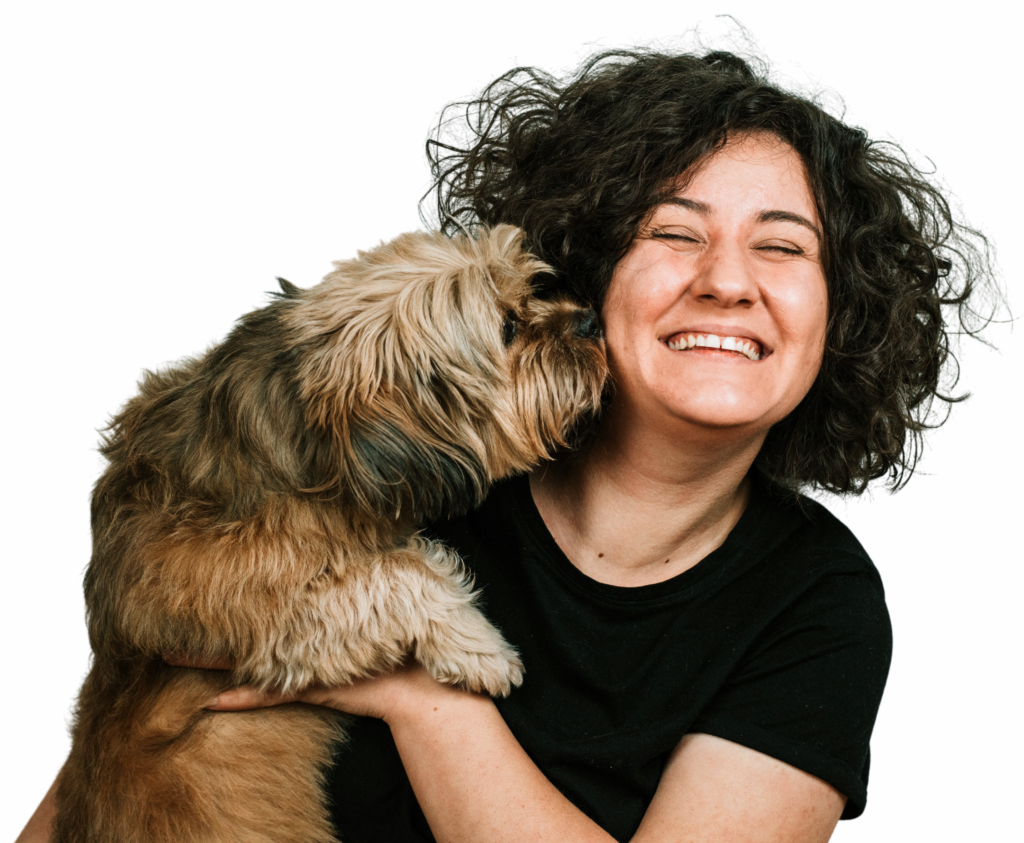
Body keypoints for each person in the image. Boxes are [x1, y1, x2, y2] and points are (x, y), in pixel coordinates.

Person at [19, 17, 1010, 843]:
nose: (726, 280)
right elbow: (117, 754)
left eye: (783, 248)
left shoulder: (819, 608)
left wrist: (423, 696)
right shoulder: (409, 463)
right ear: (589, 272)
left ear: (843, 314)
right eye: (674, 232)